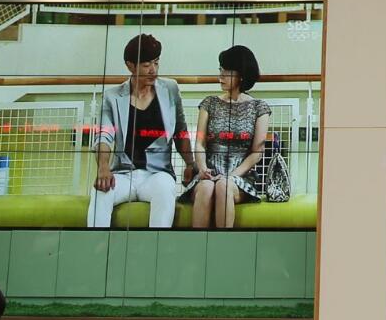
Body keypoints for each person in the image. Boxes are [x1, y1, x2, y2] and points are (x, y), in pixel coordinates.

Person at [88, 34, 195, 228]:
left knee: (165, 189)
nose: (153, 70)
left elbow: (180, 130)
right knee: (100, 192)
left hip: (157, 174)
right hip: (123, 174)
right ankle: (95, 244)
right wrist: (103, 167)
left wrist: (190, 163)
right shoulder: (112, 97)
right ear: (130, 66)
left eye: (156, 62)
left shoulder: (170, 89)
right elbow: (104, 135)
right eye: (146, 65)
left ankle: (156, 245)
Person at [186, 45, 272, 229]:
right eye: (221, 70)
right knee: (207, 187)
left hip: (240, 175)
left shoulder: (259, 107)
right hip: (209, 171)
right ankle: (196, 243)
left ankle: (223, 243)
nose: (221, 76)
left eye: (227, 72)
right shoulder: (209, 103)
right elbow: (199, 143)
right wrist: (203, 169)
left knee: (223, 186)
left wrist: (232, 175)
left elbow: (257, 152)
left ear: (241, 75)